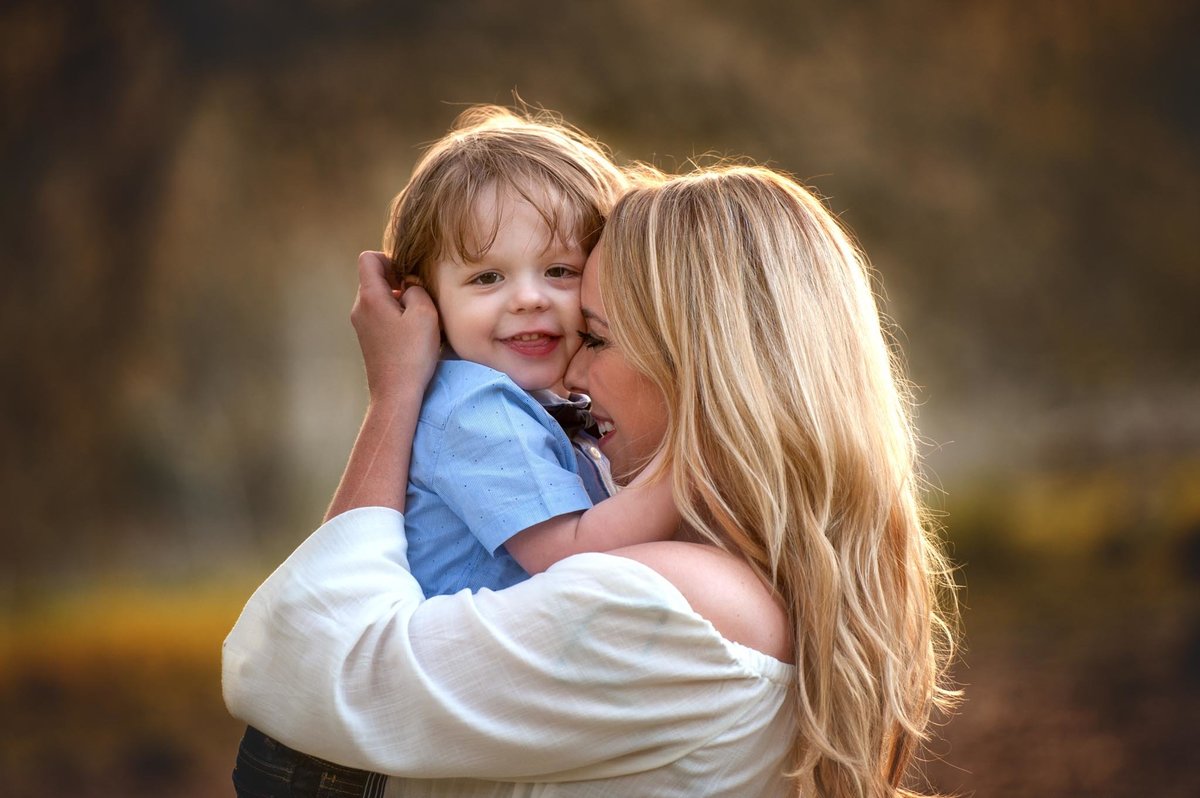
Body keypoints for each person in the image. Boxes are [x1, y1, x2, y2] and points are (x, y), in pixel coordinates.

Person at [224, 163, 960, 797]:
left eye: (596, 337)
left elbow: (301, 666)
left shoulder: (662, 603)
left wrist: (394, 393)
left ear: (700, 365)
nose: (569, 373)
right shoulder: (786, 586)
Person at [231, 106, 679, 797]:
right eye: (487, 279)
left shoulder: (543, 409)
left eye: (559, 270)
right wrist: (693, 470)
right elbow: (569, 554)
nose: (528, 299)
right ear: (426, 302)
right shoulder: (476, 406)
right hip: (351, 765)